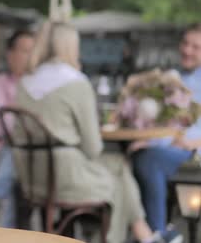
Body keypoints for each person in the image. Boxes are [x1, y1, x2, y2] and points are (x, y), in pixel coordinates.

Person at [13, 22, 180, 243]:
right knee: (120, 170)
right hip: (65, 179)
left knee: (118, 169)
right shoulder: (74, 82)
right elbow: (93, 148)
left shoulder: (24, 82)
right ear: (70, 47)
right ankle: (127, 237)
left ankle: (146, 237)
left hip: (32, 179)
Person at [131, 23, 201, 233]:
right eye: (185, 43)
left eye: (196, 47)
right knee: (130, 156)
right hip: (169, 149)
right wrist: (146, 139)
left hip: (193, 154)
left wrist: (191, 143)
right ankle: (147, 233)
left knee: (148, 159)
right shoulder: (175, 78)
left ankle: (157, 234)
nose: (187, 50)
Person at [0, 29, 34, 228]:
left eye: (34, 51)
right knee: (15, 152)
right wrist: (27, 128)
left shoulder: (40, 85)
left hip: (40, 155)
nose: (31, 57)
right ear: (10, 54)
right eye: (26, 51)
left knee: (14, 162)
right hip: (12, 149)